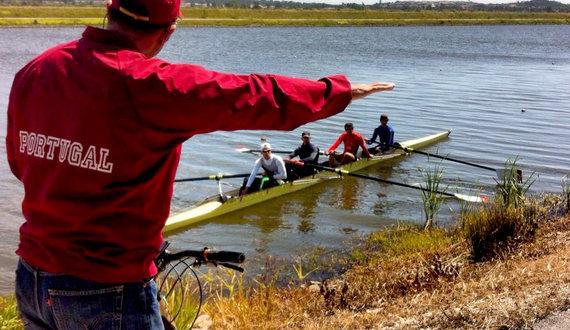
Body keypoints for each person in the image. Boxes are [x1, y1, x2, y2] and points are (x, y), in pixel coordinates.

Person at [5, 0, 395, 327]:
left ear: (110, 10)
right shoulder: (149, 84)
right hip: (107, 289)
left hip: (31, 278)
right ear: (168, 30)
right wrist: (335, 91)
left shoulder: (36, 69)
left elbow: (21, 165)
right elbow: (254, 95)